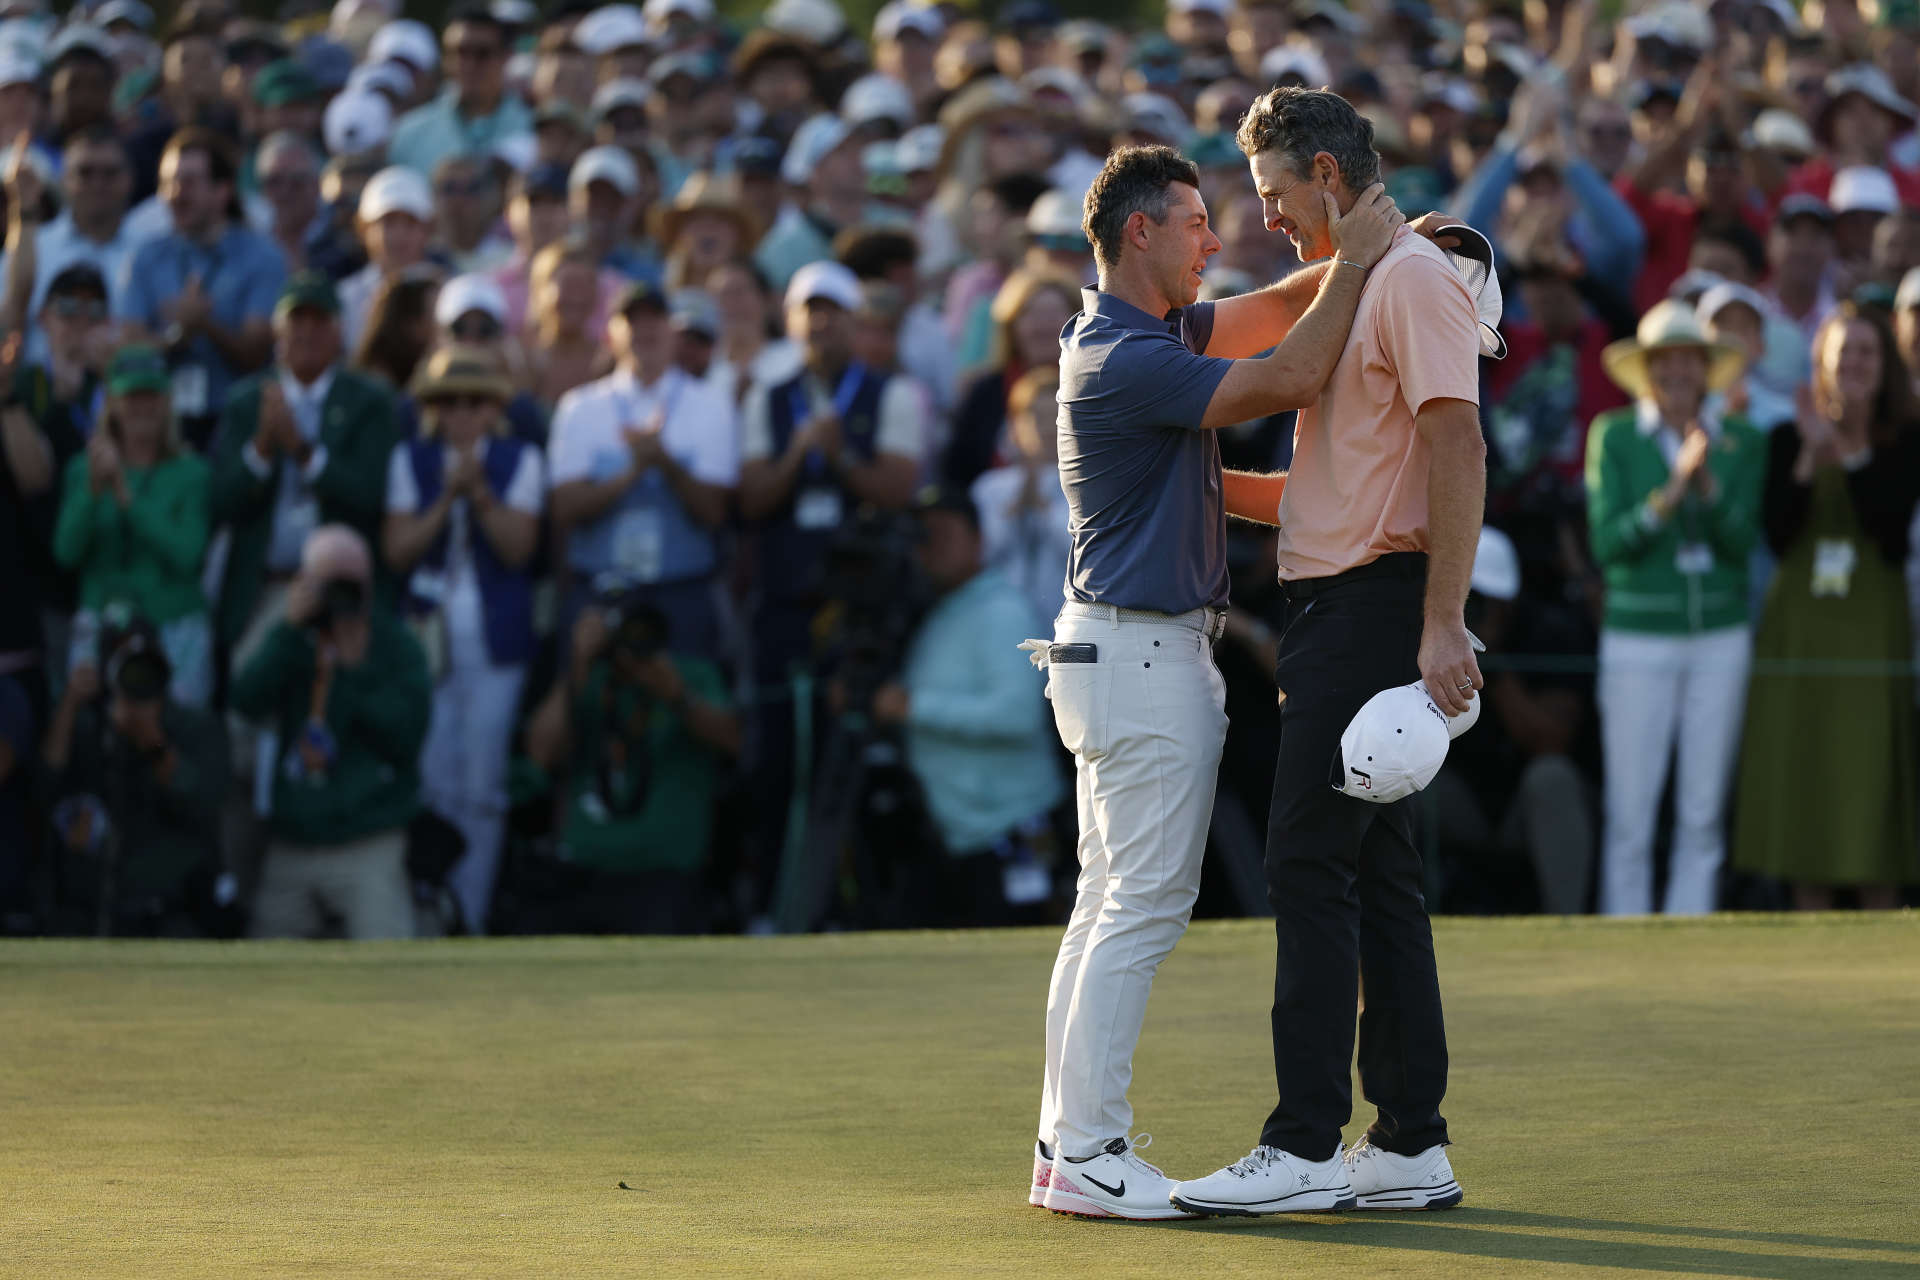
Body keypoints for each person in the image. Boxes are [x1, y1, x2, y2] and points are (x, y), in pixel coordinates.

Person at [1023, 132, 1405, 1220]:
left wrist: (1378, 249)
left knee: (1107, 904)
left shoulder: (1144, 331)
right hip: (1141, 655)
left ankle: (1066, 1147)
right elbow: (1291, 371)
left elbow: (1279, 307)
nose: (1213, 239)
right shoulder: (1128, 353)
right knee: (1139, 906)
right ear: (1140, 230)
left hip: (1117, 649)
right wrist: (1370, 263)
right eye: (1194, 223)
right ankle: (1091, 1150)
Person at [1158, 89, 1488, 1219]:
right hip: (1341, 608)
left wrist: (1443, 619)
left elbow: (1458, 444)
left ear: (1331, 180)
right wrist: (1191, 479)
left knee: (1304, 859)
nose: (1271, 219)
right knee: (1379, 878)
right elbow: (1333, 481)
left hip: (1374, 612)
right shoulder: (1364, 284)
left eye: (1278, 196)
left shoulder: (1407, 278)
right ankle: (1406, 1142)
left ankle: (1302, 1142)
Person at [1584, 300, 1768, 917]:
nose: (1678, 372)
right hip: (1637, 639)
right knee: (1631, 813)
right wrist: (1671, 493)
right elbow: (1609, 547)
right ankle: (1624, 949)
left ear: (1706, 367)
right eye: (1665, 360)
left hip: (1720, 638)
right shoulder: (1612, 435)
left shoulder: (1742, 440)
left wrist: (1708, 485)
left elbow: (1742, 546)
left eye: (1689, 359)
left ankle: (1691, 945)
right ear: (1648, 370)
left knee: (1702, 812)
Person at [1734, 303, 1920, 909]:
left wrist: (1855, 456)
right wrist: (1812, 457)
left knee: (1870, 776)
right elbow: (1777, 534)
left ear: (1884, 363)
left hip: (1873, 628)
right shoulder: (1790, 434)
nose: (1856, 364)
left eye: (1868, 351)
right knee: (1806, 770)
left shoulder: (1906, 438)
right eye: (1845, 353)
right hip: (1801, 631)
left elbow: (1891, 531)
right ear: (1823, 364)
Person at [384, 345, 543, 934]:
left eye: (475, 403)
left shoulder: (520, 459)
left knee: (481, 778)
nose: (462, 414)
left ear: (492, 409)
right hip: (428, 630)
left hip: (494, 637)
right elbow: (398, 550)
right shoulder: (412, 459)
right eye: (449, 402)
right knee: (431, 774)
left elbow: (519, 548)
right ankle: (429, 907)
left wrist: (478, 495)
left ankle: (469, 915)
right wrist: (446, 498)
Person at [871, 485, 1062, 927]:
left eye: (944, 533)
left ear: (979, 540)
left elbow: (1017, 716)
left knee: (1021, 965)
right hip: (962, 832)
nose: (930, 546)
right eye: (923, 535)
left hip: (1010, 829)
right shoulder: (942, 609)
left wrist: (912, 706)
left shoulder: (1001, 611)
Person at [230, 523, 430, 940]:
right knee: (261, 974)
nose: (341, 598)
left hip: (367, 841)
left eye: (351, 586)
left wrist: (356, 675)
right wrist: (286, 632)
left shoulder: (396, 646)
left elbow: (407, 739)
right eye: (329, 584)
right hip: (294, 842)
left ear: (370, 585)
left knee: (390, 963)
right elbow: (245, 700)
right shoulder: (290, 635)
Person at [209, 273, 400, 666]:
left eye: (320, 321)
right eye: (297, 321)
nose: (307, 333)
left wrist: (302, 451)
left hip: (342, 599)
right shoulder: (247, 401)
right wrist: (262, 447)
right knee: (250, 707)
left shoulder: (369, 401)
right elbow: (220, 501)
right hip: (265, 589)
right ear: (279, 331)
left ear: (339, 332)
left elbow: (370, 495)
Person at [519, 596, 741, 934]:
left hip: (664, 877)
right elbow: (540, 751)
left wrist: (677, 695)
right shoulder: (590, 679)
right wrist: (575, 667)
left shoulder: (691, 674)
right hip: (581, 872)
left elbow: (733, 740)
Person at [548, 277, 736, 656]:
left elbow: (715, 512)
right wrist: (631, 472)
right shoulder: (580, 408)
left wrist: (664, 463)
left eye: (656, 317)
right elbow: (564, 509)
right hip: (600, 592)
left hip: (681, 591)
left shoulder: (712, 404)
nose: (645, 328)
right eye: (632, 319)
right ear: (610, 333)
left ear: (673, 331)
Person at [40, 606, 228, 936]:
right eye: (124, 667)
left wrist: (152, 742)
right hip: (91, 914)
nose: (135, 681)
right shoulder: (87, 726)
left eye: (143, 668)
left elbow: (204, 810)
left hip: (170, 915)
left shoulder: (195, 729)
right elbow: (43, 786)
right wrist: (70, 703)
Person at [53, 345, 213, 707]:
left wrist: (127, 497)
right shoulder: (82, 470)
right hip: (99, 624)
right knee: (89, 737)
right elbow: (66, 552)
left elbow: (188, 555)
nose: (143, 406)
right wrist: (93, 492)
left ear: (167, 401)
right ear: (112, 402)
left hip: (174, 623)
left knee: (180, 733)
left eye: (152, 395)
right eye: (132, 395)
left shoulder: (193, 473)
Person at [114, 128, 286, 451]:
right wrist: (178, 336)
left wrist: (206, 325)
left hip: (238, 422)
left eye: (189, 182)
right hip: (163, 427)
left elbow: (255, 353)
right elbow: (129, 347)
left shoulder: (262, 256)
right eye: (169, 183)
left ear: (222, 191)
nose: (176, 193)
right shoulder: (146, 257)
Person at [0, 126, 138, 370]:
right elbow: (7, 324)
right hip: (40, 397)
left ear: (129, 179)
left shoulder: (149, 248)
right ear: (64, 179)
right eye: (85, 172)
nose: (98, 183)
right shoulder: (33, 246)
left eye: (110, 173)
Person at [943, 267, 1079, 490]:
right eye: (1030, 314)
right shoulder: (985, 393)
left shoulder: (1101, 388)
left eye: (1055, 315)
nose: (1043, 326)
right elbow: (958, 473)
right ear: (1011, 324)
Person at [971, 366, 1070, 629]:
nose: (1049, 428)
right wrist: (1014, 511)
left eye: (1058, 417)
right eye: (1038, 417)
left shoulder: (1091, 487)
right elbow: (983, 555)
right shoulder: (990, 488)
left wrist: (1046, 512)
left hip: (1063, 624)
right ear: (1015, 425)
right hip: (1002, 624)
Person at [385, 5, 531, 178]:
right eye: (460, 52)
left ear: (506, 57)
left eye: (482, 54)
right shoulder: (409, 134)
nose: (469, 65)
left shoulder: (533, 126)